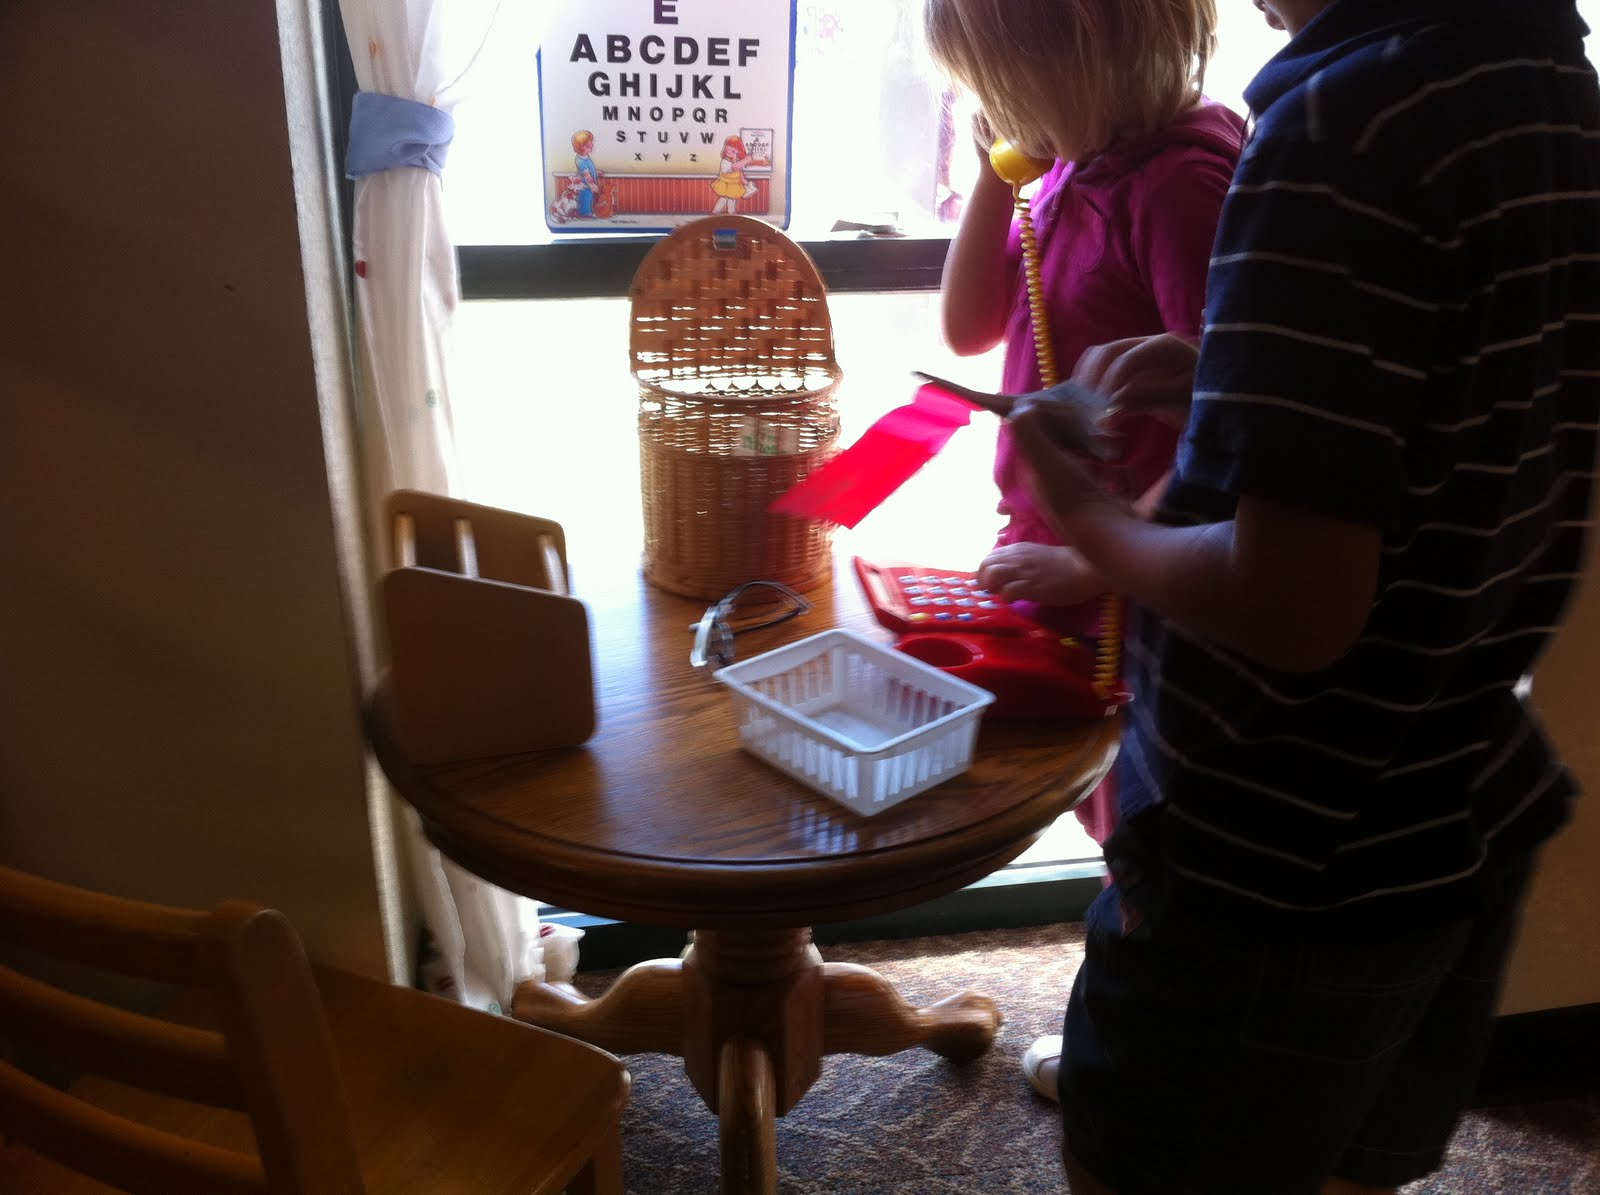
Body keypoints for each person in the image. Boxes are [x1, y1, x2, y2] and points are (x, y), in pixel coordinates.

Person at [1001, 0, 1600, 1191]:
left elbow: (1292, 607)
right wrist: (1229, 369)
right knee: (1344, 1163)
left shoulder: (1339, 127)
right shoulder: (1544, 78)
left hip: (1274, 842)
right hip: (1453, 786)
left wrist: (1092, 521)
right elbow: (1459, 390)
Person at [924, 0, 1246, 891]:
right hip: (1069, 538)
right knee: (1093, 800)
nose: (993, 105)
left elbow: (1229, 431)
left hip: (1131, 568)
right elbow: (968, 326)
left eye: (1003, 87)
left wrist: (1090, 565)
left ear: (1080, 62)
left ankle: (1133, 966)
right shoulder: (1083, 159)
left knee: (1140, 824)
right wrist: (998, 168)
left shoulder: (1178, 188)